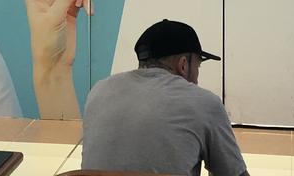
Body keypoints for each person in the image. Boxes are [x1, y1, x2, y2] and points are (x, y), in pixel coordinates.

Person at [82, 20, 248, 176]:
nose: (197, 78)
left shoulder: (99, 91)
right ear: (183, 64)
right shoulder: (204, 103)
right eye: (198, 66)